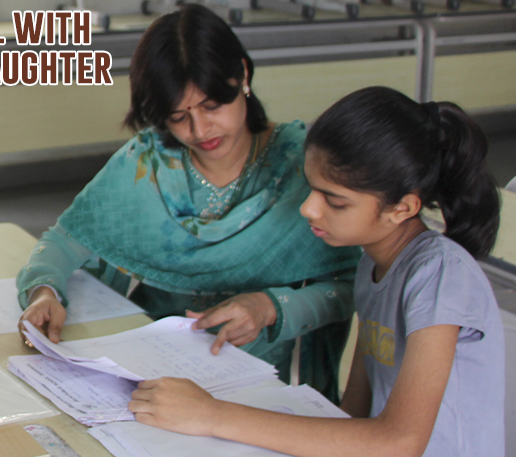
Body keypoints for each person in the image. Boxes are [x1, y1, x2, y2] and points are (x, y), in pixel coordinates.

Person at [128, 86, 505, 457]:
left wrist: (212, 415)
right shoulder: (373, 263)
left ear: (402, 209)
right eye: (312, 189)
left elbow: (399, 443)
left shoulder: (439, 273)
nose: (309, 208)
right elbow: (353, 412)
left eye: (335, 201)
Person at [16, 4, 359, 400]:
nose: (200, 130)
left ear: (243, 76)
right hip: (148, 371)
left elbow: (352, 284)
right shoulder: (148, 163)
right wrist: (45, 293)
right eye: (179, 117)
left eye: (212, 106)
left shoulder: (303, 168)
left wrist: (270, 307)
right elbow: (63, 241)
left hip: (268, 381)